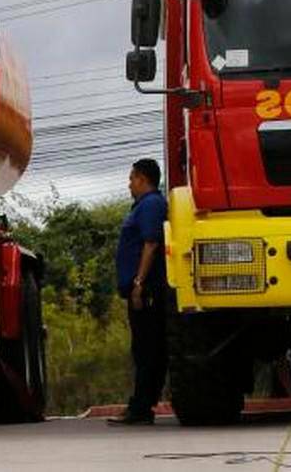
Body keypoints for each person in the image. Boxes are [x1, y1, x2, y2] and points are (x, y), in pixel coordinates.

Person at [108, 158, 169, 426]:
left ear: (143, 179)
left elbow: (151, 243)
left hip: (147, 291)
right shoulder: (144, 206)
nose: (129, 183)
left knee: (147, 350)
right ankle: (142, 404)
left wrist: (138, 283)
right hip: (141, 289)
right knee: (144, 349)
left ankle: (142, 407)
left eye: (132, 178)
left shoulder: (151, 205)